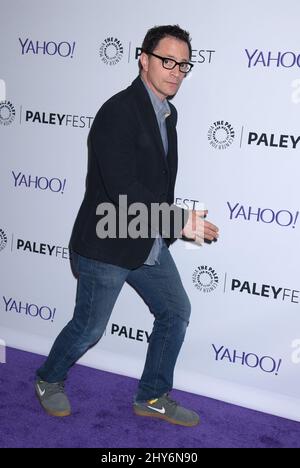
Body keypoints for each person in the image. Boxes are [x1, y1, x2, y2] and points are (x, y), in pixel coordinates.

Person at [35, 24, 219, 427]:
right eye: (166, 61)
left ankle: (151, 396)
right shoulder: (118, 111)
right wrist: (176, 219)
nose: (175, 71)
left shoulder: (167, 113)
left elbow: (155, 182)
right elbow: (122, 187)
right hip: (107, 242)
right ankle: (49, 378)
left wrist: (165, 226)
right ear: (144, 59)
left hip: (144, 237)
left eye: (183, 65)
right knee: (89, 328)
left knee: (175, 311)